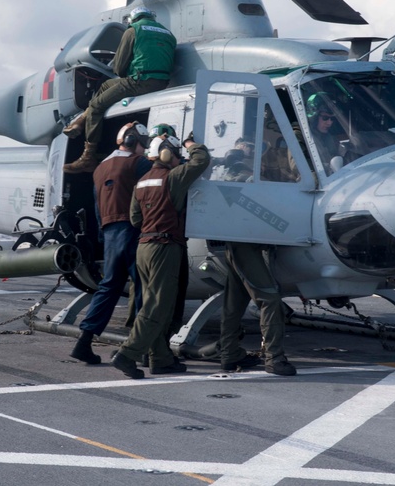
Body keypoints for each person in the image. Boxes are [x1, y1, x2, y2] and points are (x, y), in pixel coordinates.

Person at [112, 134, 210, 378]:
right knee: (157, 307)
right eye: (177, 154)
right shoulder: (173, 177)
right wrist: (191, 145)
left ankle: (161, 359)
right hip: (164, 247)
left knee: (156, 305)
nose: (180, 159)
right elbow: (201, 160)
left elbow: (135, 219)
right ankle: (127, 354)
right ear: (167, 154)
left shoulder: (142, 182)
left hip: (144, 247)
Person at [71, 122, 152, 365]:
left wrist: (103, 236)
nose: (144, 148)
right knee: (143, 288)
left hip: (110, 233)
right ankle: (140, 349)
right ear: (131, 141)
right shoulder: (140, 164)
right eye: (142, 142)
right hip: (134, 231)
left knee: (108, 287)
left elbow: (97, 207)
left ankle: (84, 342)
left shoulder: (99, 168)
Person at [63, 7, 177, 174]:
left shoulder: (133, 31)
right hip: (161, 82)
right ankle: (81, 122)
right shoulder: (168, 34)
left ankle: (88, 157)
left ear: (132, 20)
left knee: (96, 106)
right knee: (105, 86)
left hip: (139, 82)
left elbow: (119, 68)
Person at [219, 243, 297, 376]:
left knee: (234, 302)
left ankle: (230, 354)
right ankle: (274, 358)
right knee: (270, 300)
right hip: (245, 245)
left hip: (236, 244)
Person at [306, 94, 342, 169]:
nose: (329, 123)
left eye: (332, 119)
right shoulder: (303, 139)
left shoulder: (329, 137)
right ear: (314, 117)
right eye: (325, 118)